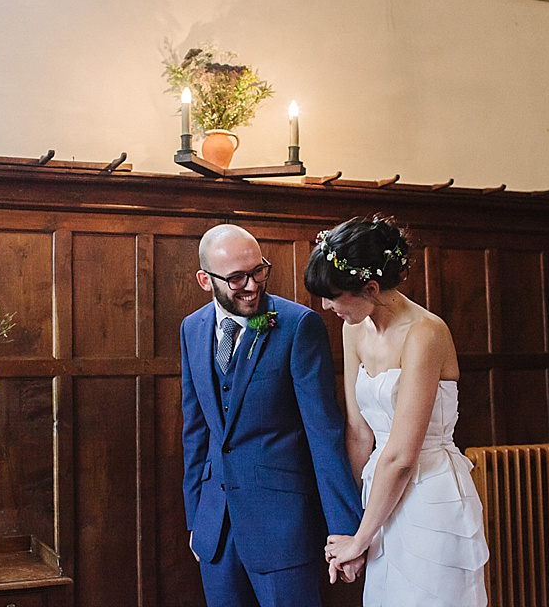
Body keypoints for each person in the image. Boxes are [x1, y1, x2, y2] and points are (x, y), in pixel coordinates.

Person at [305, 216, 489, 607]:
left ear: (370, 288)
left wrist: (360, 539)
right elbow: (358, 432)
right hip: (379, 496)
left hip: (429, 493)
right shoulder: (353, 328)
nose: (326, 306)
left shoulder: (426, 333)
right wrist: (352, 523)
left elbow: (403, 455)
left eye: (335, 295)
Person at [180, 223, 364, 607]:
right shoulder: (191, 329)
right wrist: (197, 520)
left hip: (284, 529)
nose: (251, 285)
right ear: (204, 279)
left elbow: (324, 433)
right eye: (236, 278)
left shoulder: (298, 326)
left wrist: (346, 531)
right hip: (215, 531)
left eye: (258, 271)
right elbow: (195, 431)